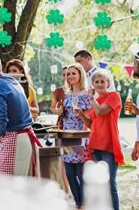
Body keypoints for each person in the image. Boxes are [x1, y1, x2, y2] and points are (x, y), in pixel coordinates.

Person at [76, 70, 125, 210]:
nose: (99, 84)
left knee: (110, 183)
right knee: (99, 184)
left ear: (108, 83)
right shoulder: (96, 101)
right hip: (95, 145)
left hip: (109, 146)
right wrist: (81, 114)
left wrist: (91, 98)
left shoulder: (114, 96)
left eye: (102, 81)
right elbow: (92, 124)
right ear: (92, 84)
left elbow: (100, 112)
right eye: (96, 82)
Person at [60, 63, 92, 209]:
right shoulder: (66, 94)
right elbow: (64, 115)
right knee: (69, 173)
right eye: (68, 74)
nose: (70, 76)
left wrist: (84, 138)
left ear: (80, 76)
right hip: (66, 136)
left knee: (80, 173)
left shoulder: (86, 94)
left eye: (73, 73)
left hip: (80, 137)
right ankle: (79, 203)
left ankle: (85, 203)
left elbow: (88, 120)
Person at [50, 66, 70, 196]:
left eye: (68, 74)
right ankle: (67, 190)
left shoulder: (79, 90)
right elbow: (52, 107)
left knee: (74, 157)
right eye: (64, 74)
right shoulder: (58, 91)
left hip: (76, 127)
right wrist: (58, 111)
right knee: (63, 158)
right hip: (61, 126)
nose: (66, 77)